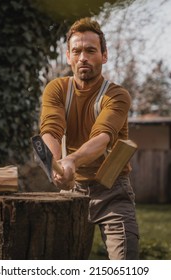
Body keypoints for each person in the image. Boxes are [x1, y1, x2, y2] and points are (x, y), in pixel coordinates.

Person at [39, 17, 139, 260]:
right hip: (72, 192)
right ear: (68, 56)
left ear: (104, 55)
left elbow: (102, 137)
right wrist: (57, 166)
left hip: (112, 192)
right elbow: (51, 130)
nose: (83, 57)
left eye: (91, 50)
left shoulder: (116, 95)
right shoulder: (57, 89)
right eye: (77, 51)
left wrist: (71, 160)